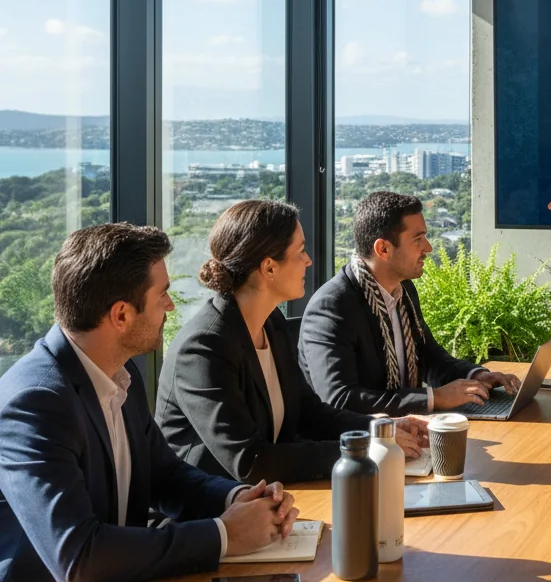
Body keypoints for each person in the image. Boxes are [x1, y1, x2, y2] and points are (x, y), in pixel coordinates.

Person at [0, 223, 298, 582]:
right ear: (121, 315)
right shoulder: (35, 402)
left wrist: (237, 498)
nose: (170, 306)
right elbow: (78, 554)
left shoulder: (120, 372)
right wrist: (224, 535)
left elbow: (164, 475)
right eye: (162, 295)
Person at [156, 200, 429, 485]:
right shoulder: (204, 348)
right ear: (269, 268)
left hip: (273, 496)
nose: (308, 260)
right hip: (218, 507)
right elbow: (251, 461)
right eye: (300, 251)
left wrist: (381, 429)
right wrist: (363, 449)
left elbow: (308, 413)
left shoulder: (271, 323)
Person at [299, 191, 520, 416]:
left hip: (408, 429)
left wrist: (476, 376)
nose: (428, 248)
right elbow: (340, 399)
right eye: (418, 239)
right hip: (363, 437)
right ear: (383, 249)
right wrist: (435, 398)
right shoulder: (332, 307)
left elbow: (429, 357)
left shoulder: (403, 289)